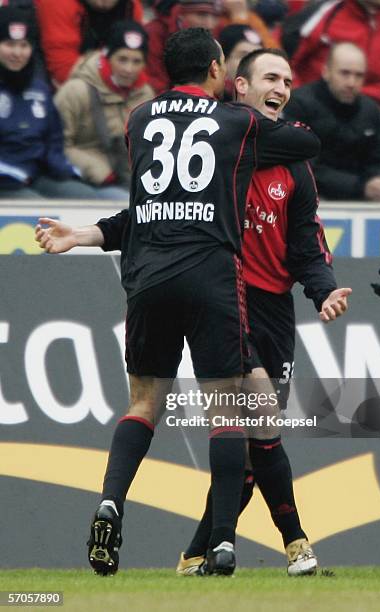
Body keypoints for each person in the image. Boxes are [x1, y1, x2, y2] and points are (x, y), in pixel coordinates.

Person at [35, 27, 320, 577]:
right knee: (228, 408)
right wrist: (267, 119)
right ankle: (220, 544)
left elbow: (141, 210)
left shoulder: (139, 119)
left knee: (143, 403)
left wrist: (82, 235)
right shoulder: (234, 122)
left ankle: (111, 502)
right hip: (211, 275)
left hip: (146, 275)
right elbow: (306, 145)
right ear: (218, 72)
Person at [176, 48, 351, 577]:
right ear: (239, 87)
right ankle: (293, 542)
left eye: (289, 80)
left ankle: (198, 553)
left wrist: (323, 289)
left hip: (274, 309)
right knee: (258, 417)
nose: (283, 86)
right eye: (270, 77)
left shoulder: (294, 165)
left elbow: (305, 242)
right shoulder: (215, 148)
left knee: (254, 446)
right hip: (225, 299)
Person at [283, 42, 380, 202]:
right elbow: (303, 168)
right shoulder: (299, 105)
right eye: (345, 73)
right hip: (314, 196)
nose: (351, 83)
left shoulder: (370, 110)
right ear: (326, 72)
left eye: (358, 75)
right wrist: (361, 187)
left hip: (362, 194)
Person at [0, 6, 98, 199]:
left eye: (24, 45)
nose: (17, 53)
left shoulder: (40, 90)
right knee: (36, 205)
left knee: (85, 196)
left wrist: (68, 172)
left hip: (38, 176)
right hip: (6, 181)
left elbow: (53, 144)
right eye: (9, 44)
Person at [54, 20, 154, 200]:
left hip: (126, 179)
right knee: (123, 203)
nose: (129, 69)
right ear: (106, 57)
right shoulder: (76, 91)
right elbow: (57, 146)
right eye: (122, 59)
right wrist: (96, 170)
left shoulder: (145, 95)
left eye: (136, 61)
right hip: (77, 177)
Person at [286, 0, 380, 123]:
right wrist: (299, 100)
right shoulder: (327, 13)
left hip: (378, 111)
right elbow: (285, 59)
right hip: (319, 105)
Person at [34, 0, 143, 88]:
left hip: (106, 83)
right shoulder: (56, 3)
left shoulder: (131, 6)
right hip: (55, 86)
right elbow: (64, 71)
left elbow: (139, 68)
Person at [145, 0, 222, 95]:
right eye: (201, 14)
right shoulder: (155, 33)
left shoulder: (216, 32)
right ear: (181, 14)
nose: (210, 24)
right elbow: (156, 81)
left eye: (215, 16)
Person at [218, 23, 262, 100]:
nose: (252, 62)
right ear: (223, 60)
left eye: (257, 57)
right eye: (244, 56)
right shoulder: (210, 100)